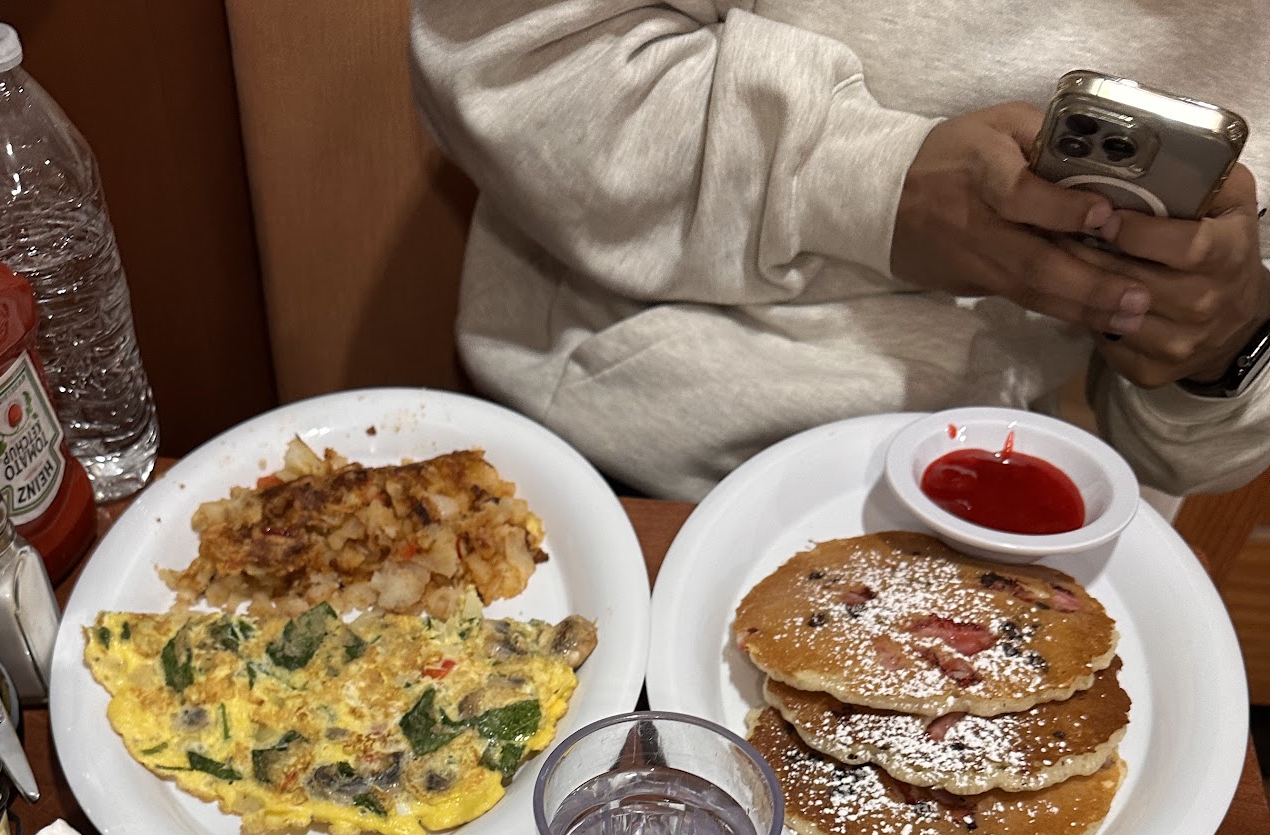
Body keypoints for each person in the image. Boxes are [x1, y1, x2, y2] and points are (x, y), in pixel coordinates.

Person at [409, 2, 1270, 500]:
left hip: (1028, 492)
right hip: (624, 463)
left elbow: (1199, 457)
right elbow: (512, 66)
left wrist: (1227, 343)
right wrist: (875, 184)